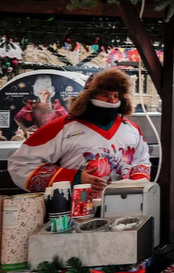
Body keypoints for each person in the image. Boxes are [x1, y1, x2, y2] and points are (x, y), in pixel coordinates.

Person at [8, 69, 152, 197]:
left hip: (123, 206)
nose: (112, 100)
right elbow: (21, 165)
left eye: (116, 95)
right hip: (73, 209)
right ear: (88, 96)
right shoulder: (62, 127)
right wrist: (75, 178)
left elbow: (141, 160)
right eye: (105, 95)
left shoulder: (131, 129)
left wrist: (136, 185)